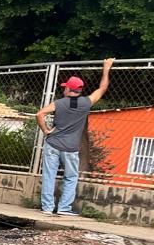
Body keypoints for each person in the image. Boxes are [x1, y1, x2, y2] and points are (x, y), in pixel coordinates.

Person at [35, 58, 113, 216]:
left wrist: (46, 130)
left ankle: (48, 208)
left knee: (49, 175)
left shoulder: (59, 103)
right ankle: (64, 209)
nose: (63, 90)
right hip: (70, 148)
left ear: (69, 89)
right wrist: (106, 68)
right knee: (70, 177)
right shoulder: (86, 103)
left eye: (65, 88)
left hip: (53, 144)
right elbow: (103, 87)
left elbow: (39, 114)